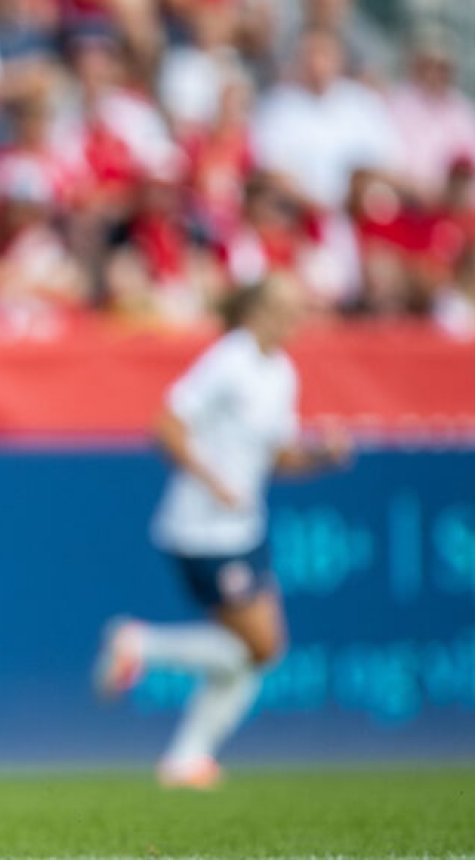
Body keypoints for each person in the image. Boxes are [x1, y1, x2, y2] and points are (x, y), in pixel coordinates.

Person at [93, 273, 351, 789]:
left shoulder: (281, 371)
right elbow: (165, 424)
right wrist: (214, 482)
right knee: (259, 647)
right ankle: (140, 645)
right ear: (256, 312)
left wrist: (322, 455)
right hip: (203, 529)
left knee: (260, 652)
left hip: (244, 527)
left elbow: (276, 458)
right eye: (285, 305)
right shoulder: (229, 360)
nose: (296, 315)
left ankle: (186, 757)